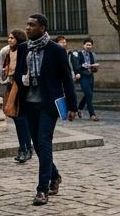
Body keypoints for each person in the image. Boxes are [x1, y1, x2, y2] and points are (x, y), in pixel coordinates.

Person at [12, 13, 78, 205]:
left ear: (42, 28)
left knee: (44, 141)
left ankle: (42, 190)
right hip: (29, 103)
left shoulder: (56, 50)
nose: (27, 28)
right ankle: (55, 175)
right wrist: (23, 78)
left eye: (32, 25)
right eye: (27, 24)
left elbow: (67, 78)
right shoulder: (24, 48)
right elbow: (17, 73)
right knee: (38, 144)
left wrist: (72, 106)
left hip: (49, 104)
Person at [0, 29, 31, 163]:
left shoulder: (23, 51)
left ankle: (26, 148)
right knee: (16, 119)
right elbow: (5, 68)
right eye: (9, 38)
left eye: (12, 38)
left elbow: (25, 69)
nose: (9, 40)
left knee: (21, 118)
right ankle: (23, 147)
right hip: (10, 84)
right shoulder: (7, 53)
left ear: (18, 39)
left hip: (19, 86)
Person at [71, 38, 99, 121]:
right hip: (83, 76)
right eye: (87, 45)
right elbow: (76, 65)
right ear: (83, 45)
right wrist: (78, 72)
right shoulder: (78, 54)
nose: (88, 46)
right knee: (88, 94)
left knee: (89, 94)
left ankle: (78, 109)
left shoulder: (92, 55)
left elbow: (93, 67)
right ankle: (92, 114)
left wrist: (95, 67)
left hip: (90, 76)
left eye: (90, 45)